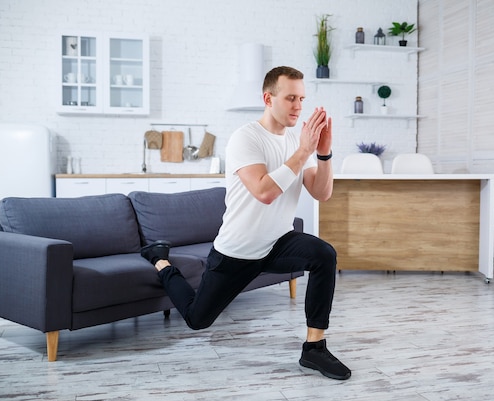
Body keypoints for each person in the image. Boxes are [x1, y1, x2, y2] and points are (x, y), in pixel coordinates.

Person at [141, 66, 351, 380]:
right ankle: (160, 260)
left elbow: (321, 193)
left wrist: (323, 154)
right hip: (236, 251)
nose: (298, 106)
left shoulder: (296, 140)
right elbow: (264, 191)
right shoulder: (246, 138)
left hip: (277, 242)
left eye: (302, 98)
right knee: (198, 320)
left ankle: (314, 349)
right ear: (269, 98)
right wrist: (305, 149)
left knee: (324, 255)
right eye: (290, 98)